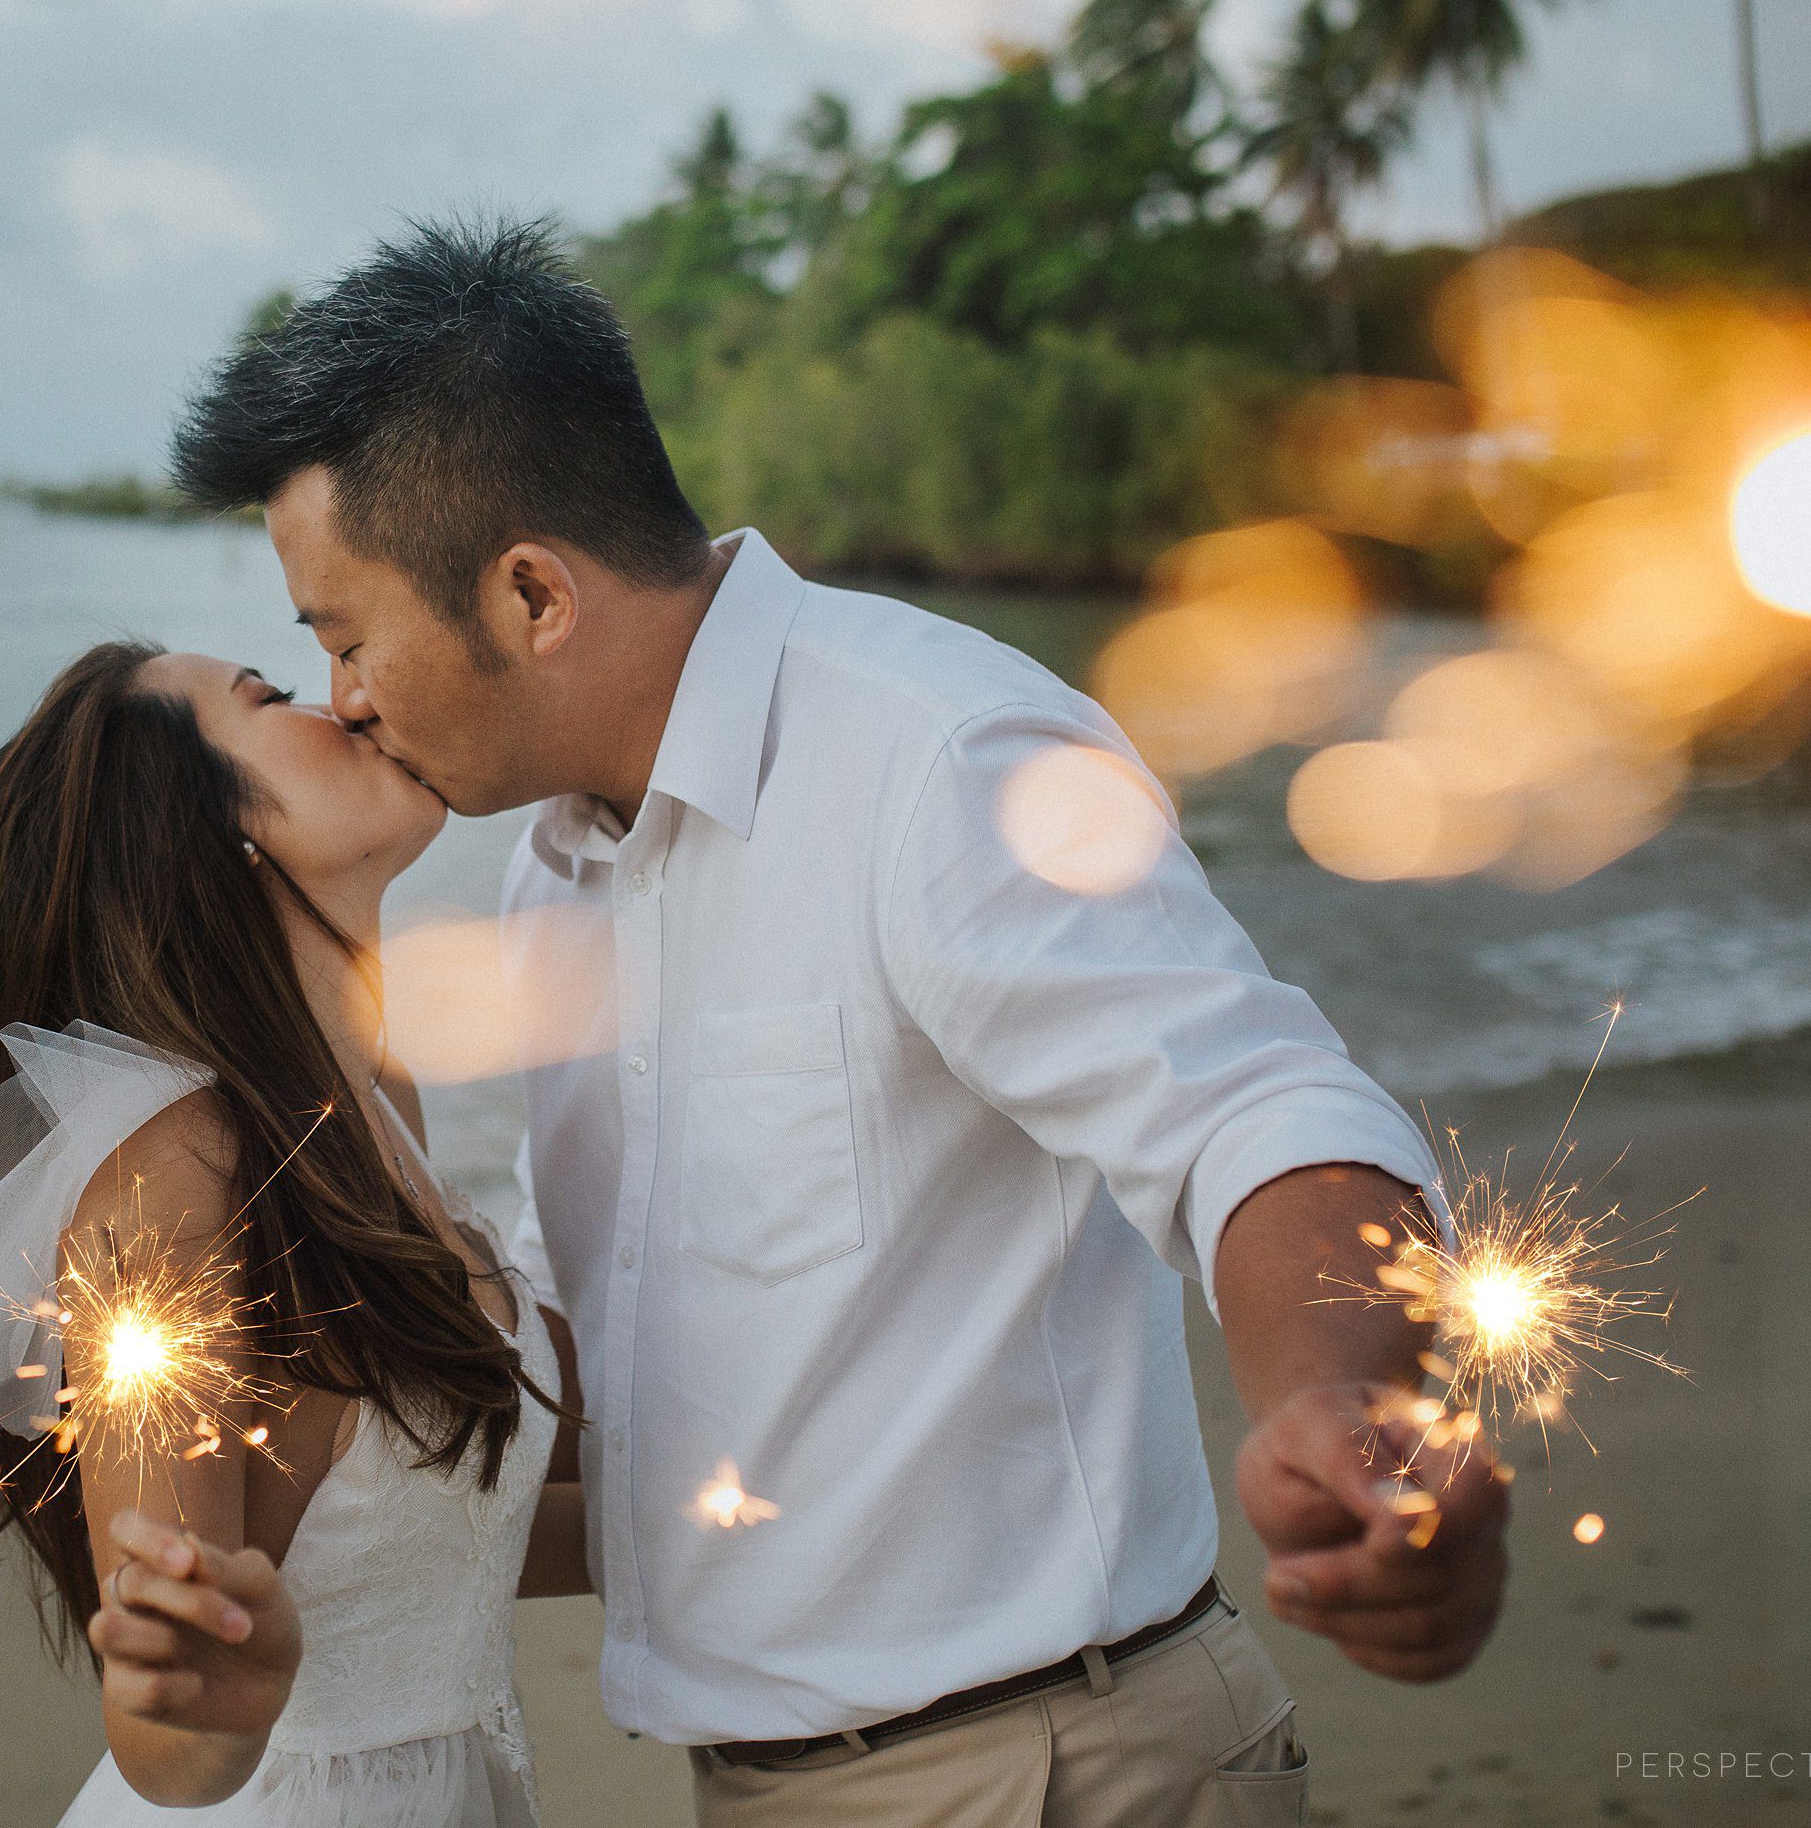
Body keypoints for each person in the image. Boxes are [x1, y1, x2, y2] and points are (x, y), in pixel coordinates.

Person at [162, 215, 1513, 1827]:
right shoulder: (555, 875)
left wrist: (1343, 1402)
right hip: (766, 1786)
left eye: (343, 634)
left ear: (529, 592)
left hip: (1050, 1770)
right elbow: (639, 1329)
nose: (342, 699)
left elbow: (1256, 1110)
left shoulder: (934, 757)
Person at [0, 638, 588, 1825]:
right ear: (205, 839)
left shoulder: (374, 1101)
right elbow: (164, 1727)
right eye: (271, 697)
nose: (346, 701)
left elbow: (425, 1549)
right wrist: (211, 1698)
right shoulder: (166, 1183)